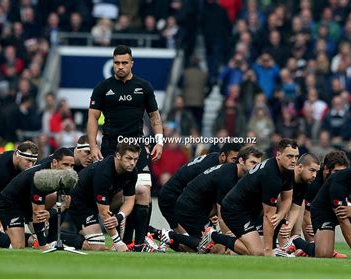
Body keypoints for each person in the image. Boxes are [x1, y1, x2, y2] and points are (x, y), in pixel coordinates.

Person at [87, 45, 163, 250]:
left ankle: (138, 243)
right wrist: (93, 145)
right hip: (112, 149)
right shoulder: (103, 87)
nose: (120, 67)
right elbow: (93, 117)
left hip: (137, 149)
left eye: (124, 63)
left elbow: (154, 116)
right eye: (116, 63)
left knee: (143, 192)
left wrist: (159, 140)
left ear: (131, 63)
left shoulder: (143, 86)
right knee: (118, 196)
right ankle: (123, 238)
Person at [0, 148, 75, 250]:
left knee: (50, 208)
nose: (69, 169)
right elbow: (38, 214)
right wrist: (43, 245)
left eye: (72, 166)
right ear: (55, 163)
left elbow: (65, 203)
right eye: (65, 164)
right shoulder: (41, 177)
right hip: (10, 203)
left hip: (27, 202)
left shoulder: (68, 177)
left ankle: (44, 239)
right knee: (17, 246)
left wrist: (52, 214)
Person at [164, 146, 263, 252]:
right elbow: (223, 215)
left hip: (198, 209)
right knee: (217, 249)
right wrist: (230, 238)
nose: (256, 168)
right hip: (189, 209)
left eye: (258, 164)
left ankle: (168, 237)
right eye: (253, 163)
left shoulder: (232, 172)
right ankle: (166, 235)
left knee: (203, 248)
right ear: (241, 161)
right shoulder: (228, 176)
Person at [214, 139, 298, 256]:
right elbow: (268, 216)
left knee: (254, 249)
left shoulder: (288, 169)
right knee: (258, 252)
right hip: (235, 210)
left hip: (251, 210)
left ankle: (233, 250)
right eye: (290, 156)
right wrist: (269, 251)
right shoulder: (270, 175)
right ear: (278, 155)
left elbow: (287, 198)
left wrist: (281, 214)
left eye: (296, 157)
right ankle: (214, 237)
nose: (294, 160)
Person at [64, 143, 140, 252]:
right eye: (128, 158)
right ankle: (57, 237)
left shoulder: (132, 171)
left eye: (135, 159)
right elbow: (104, 213)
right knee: (97, 246)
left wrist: (119, 217)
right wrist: (118, 242)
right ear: (118, 156)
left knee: (140, 192)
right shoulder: (104, 173)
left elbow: (129, 200)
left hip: (100, 200)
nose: (132, 163)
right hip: (81, 201)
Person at [157, 143, 241, 235]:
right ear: (223, 156)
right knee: (189, 239)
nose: (237, 164)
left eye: (239, 160)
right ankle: (158, 233)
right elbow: (194, 193)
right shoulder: (210, 168)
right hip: (171, 198)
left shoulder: (217, 161)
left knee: (203, 240)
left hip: (182, 198)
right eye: (234, 159)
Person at [275, 154, 320, 251]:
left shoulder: (304, 183)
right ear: (300, 167)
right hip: (262, 211)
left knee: (300, 204)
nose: (314, 175)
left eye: (316, 171)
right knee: (283, 199)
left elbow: (296, 207)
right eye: (312, 170)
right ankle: (280, 243)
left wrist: (289, 226)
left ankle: (294, 239)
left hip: (281, 213)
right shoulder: (286, 176)